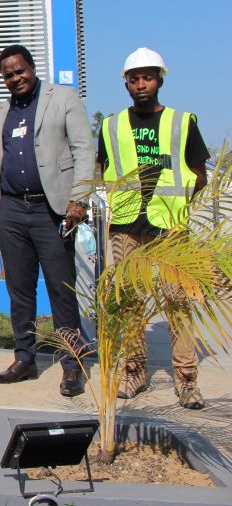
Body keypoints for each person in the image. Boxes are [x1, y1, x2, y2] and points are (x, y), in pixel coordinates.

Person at [98, 47, 209, 409]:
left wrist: (174, 204)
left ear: (159, 80)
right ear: (126, 85)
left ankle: (187, 380)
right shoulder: (111, 126)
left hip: (170, 226)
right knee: (129, 301)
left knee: (178, 302)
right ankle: (134, 371)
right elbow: (104, 171)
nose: (141, 84)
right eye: (134, 79)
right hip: (126, 225)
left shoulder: (182, 122)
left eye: (147, 77)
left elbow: (199, 175)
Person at [0, 44, 95, 397]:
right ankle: (25, 359)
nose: (15, 78)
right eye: (8, 75)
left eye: (20, 71)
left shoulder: (63, 98)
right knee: (19, 289)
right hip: (13, 210)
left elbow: (83, 150)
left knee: (61, 289)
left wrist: (78, 199)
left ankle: (72, 364)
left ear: (32, 68)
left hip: (52, 209)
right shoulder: (2, 112)